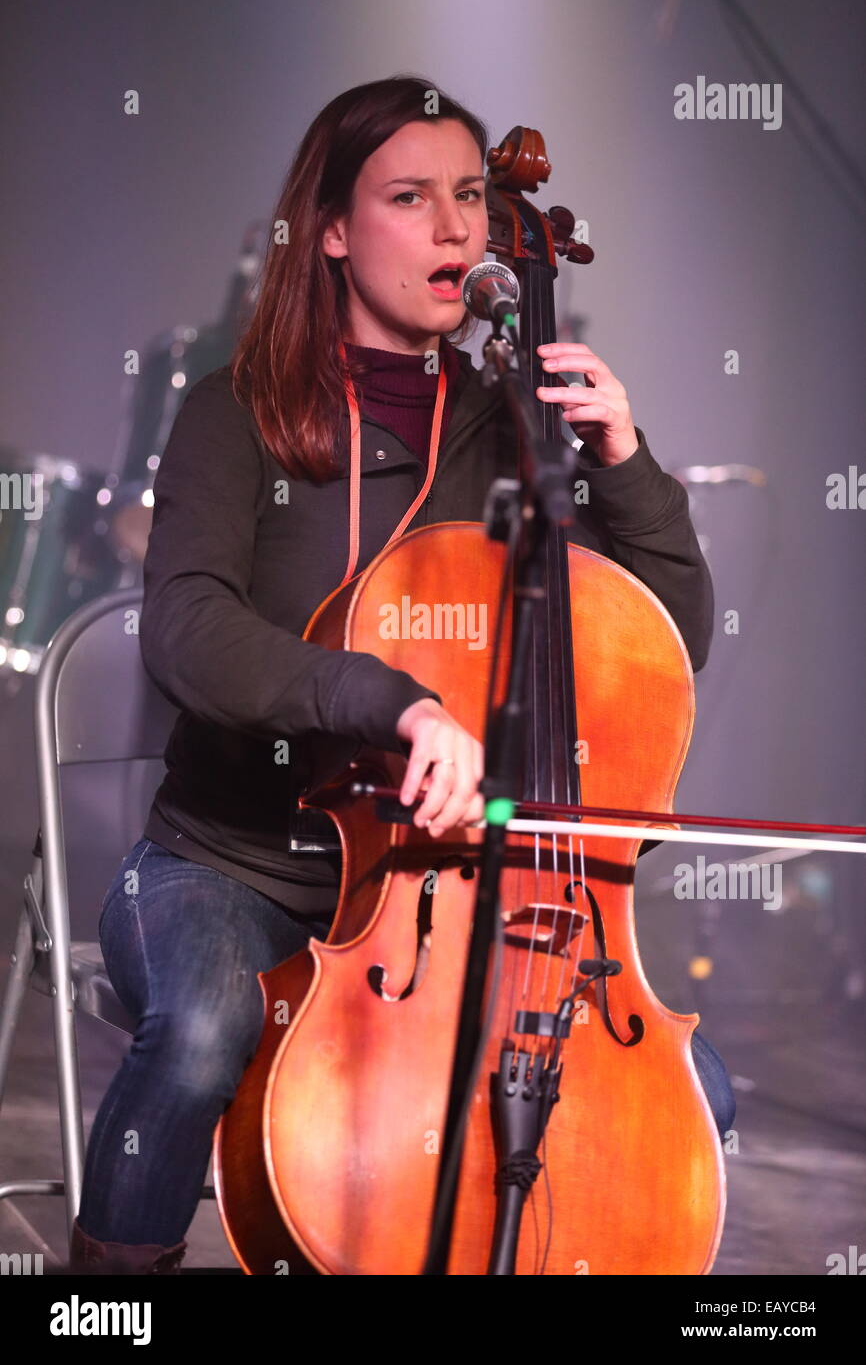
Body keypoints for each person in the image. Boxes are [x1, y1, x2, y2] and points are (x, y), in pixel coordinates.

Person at [68, 75, 735, 1276]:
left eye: (472, 199)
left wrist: (622, 467)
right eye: (409, 197)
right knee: (204, 1033)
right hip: (232, 864)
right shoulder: (238, 415)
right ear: (329, 228)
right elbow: (185, 629)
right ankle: (105, 1296)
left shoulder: (508, 428)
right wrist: (392, 698)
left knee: (690, 1092)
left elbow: (660, 643)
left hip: (455, 888)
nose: (454, 229)